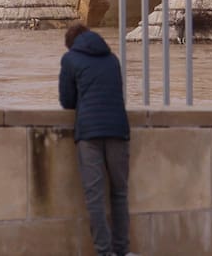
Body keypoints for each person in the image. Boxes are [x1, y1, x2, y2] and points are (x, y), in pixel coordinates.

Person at [59, 22, 135, 256]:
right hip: (118, 129)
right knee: (119, 193)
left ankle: (104, 251)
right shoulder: (112, 59)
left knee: (95, 197)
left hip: (90, 131)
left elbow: (67, 100)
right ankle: (122, 250)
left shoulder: (70, 59)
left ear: (71, 44)